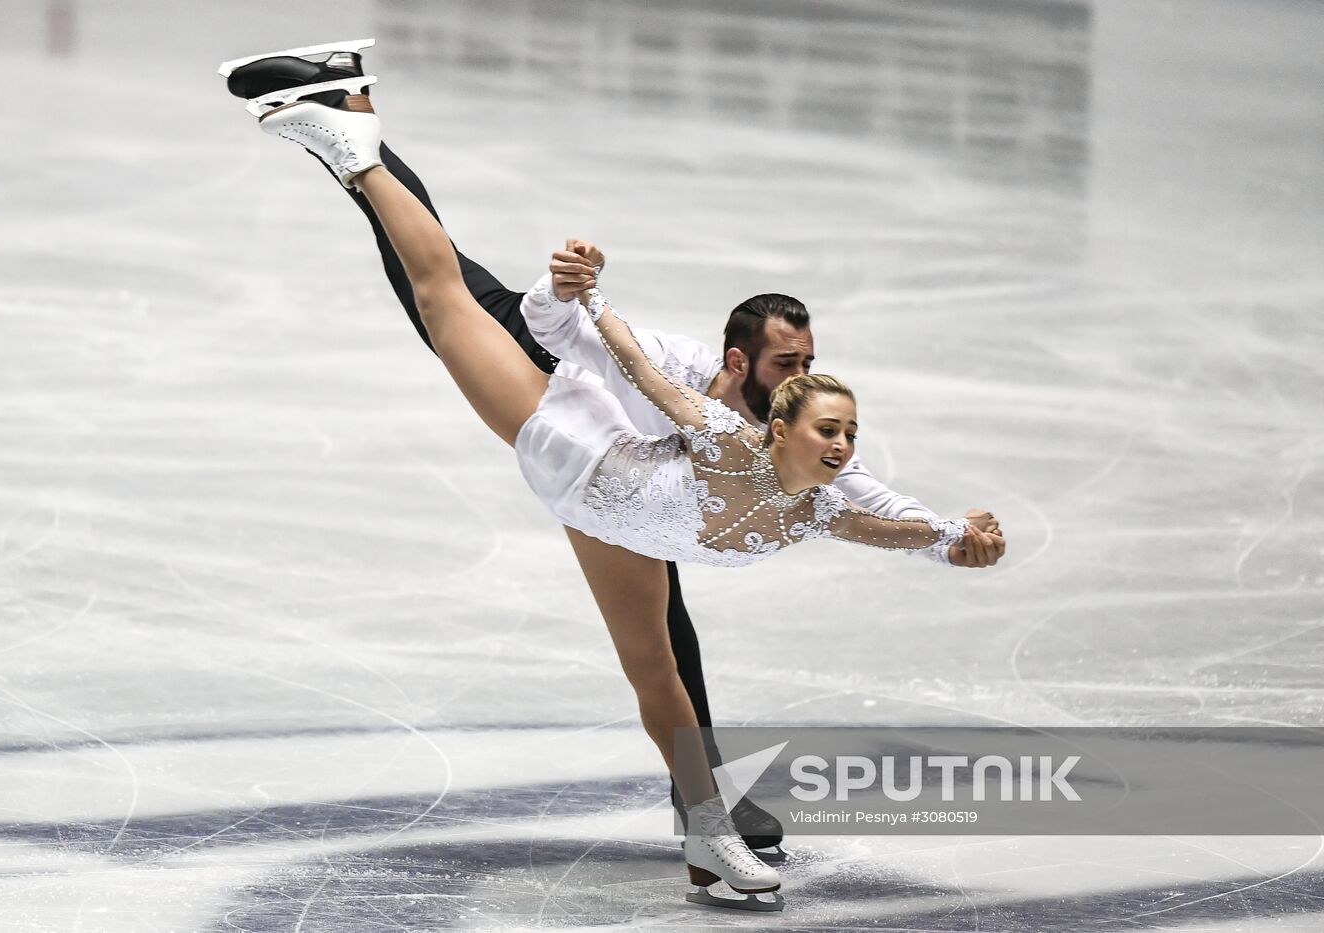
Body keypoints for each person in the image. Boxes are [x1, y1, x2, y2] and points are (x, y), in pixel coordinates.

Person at [221, 45, 1004, 912]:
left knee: (663, 649)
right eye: (789, 367)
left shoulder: (798, 463)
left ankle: (349, 114)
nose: (805, 386)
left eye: (810, 370)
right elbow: (595, 342)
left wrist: (948, 539)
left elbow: (870, 506)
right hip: (563, 391)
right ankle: (347, 131)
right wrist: (582, 291)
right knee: (437, 288)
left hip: (621, 494)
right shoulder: (704, 391)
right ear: (742, 363)